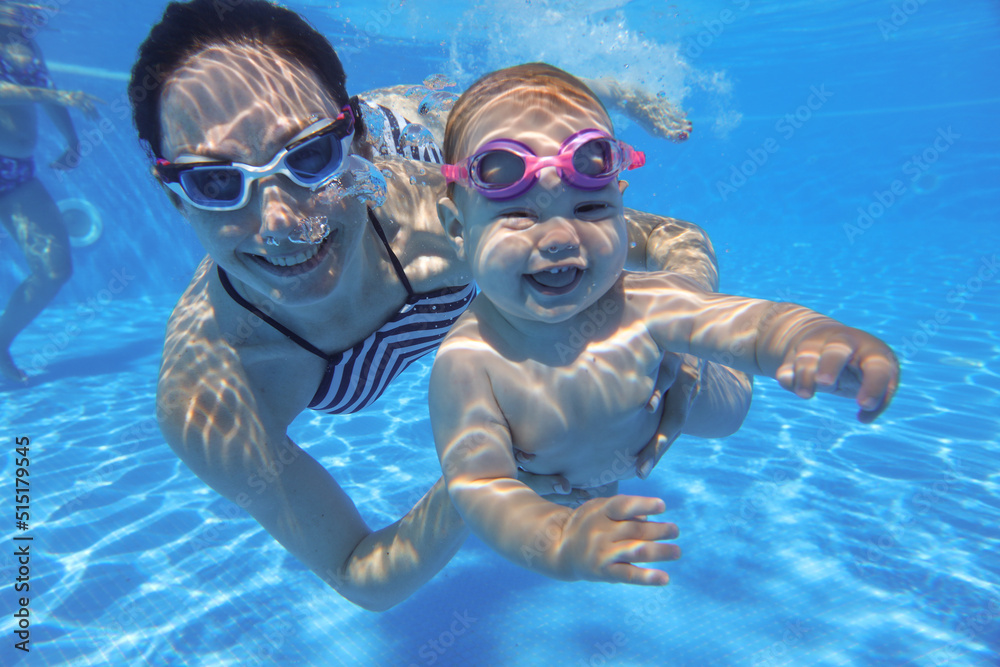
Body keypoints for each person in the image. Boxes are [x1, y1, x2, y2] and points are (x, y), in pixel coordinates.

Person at [132, 0, 752, 611]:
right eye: (215, 182)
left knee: (510, 115)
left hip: (421, 130)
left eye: (310, 156)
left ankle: (601, 86)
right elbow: (358, 571)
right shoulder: (209, 394)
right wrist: (480, 477)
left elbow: (676, 239)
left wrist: (683, 339)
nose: (280, 223)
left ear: (361, 149)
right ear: (174, 200)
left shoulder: (440, 215)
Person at [430, 63, 900, 585]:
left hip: (705, 405)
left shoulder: (643, 301)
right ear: (458, 231)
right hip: (585, 472)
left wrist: (809, 339)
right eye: (519, 216)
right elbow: (480, 485)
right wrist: (557, 537)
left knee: (730, 407)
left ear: (622, 208)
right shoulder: (468, 362)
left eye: (589, 207)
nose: (561, 236)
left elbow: (754, 324)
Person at [0, 1, 101, 382]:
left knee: (55, 269)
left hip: (16, 173)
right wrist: (56, 98)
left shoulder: (27, 45)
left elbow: (46, 89)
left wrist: (72, 140)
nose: (19, 15)